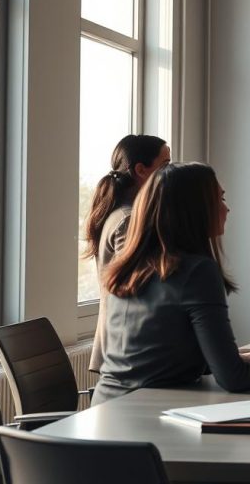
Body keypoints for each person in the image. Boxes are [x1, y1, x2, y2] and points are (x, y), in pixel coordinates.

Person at [92, 162, 250, 404]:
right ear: (195, 209)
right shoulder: (196, 271)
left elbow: (163, 356)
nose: (227, 208)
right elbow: (233, 379)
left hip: (106, 408)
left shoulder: (128, 267)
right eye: (220, 199)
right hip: (147, 413)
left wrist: (245, 358)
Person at [83, 134, 170, 373]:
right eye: (165, 165)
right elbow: (136, 286)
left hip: (126, 347)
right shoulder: (129, 219)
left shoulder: (123, 215)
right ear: (141, 170)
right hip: (127, 350)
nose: (169, 172)